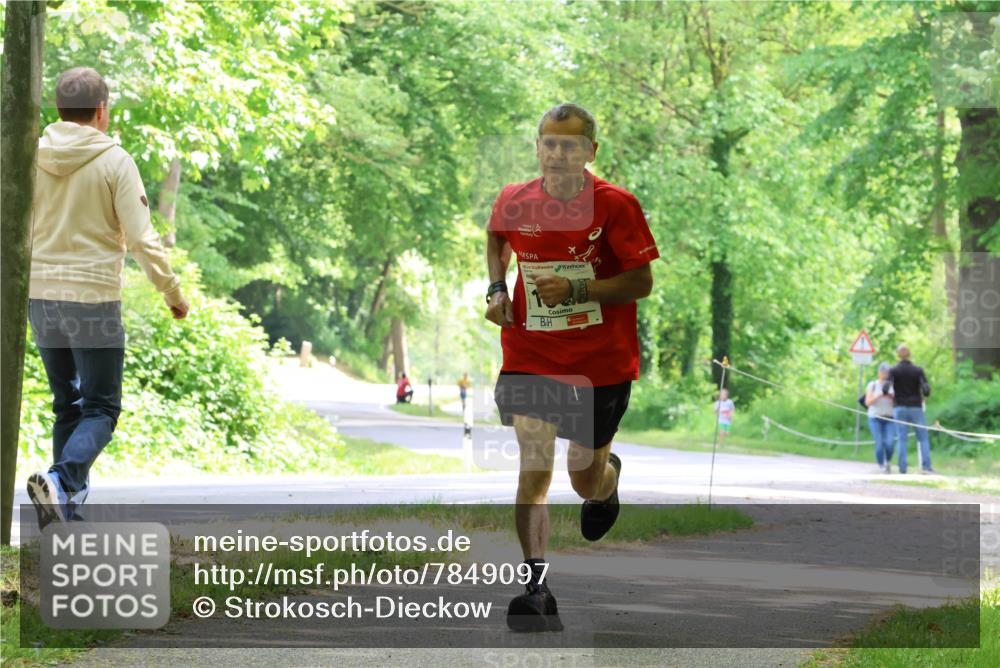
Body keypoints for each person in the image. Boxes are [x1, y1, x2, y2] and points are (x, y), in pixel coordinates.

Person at [485, 103, 658, 632]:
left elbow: (641, 282)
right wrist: (497, 289)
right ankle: (536, 589)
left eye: (569, 144)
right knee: (534, 468)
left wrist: (578, 288)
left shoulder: (616, 205)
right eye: (549, 143)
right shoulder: (514, 199)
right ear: (538, 147)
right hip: (531, 356)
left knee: (583, 481)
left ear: (590, 151)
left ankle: (608, 480)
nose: (557, 153)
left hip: (599, 365)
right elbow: (497, 238)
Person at [26, 68, 189, 529]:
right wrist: (171, 292)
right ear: (102, 110)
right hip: (92, 299)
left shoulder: (29, 157)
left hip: (41, 297)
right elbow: (141, 239)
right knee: (100, 408)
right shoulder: (115, 161)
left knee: (67, 404)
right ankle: (61, 481)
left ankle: (63, 508)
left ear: (59, 109)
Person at [888, 345, 935, 474]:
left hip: (900, 407)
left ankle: (902, 468)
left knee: (902, 438)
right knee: (923, 438)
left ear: (898, 355)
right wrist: (923, 395)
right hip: (916, 407)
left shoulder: (894, 371)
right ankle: (926, 466)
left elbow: (886, 388)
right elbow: (926, 390)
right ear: (910, 354)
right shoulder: (918, 370)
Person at [864, 362, 895, 473]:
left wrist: (890, 397)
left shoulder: (893, 386)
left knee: (890, 443)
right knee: (879, 442)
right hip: (875, 418)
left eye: (886, 372)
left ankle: (888, 461)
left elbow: (898, 403)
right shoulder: (872, 385)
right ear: (879, 373)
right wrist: (880, 395)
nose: (884, 374)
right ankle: (881, 465)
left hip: (889, 418)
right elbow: (868, 402)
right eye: (883, 372)